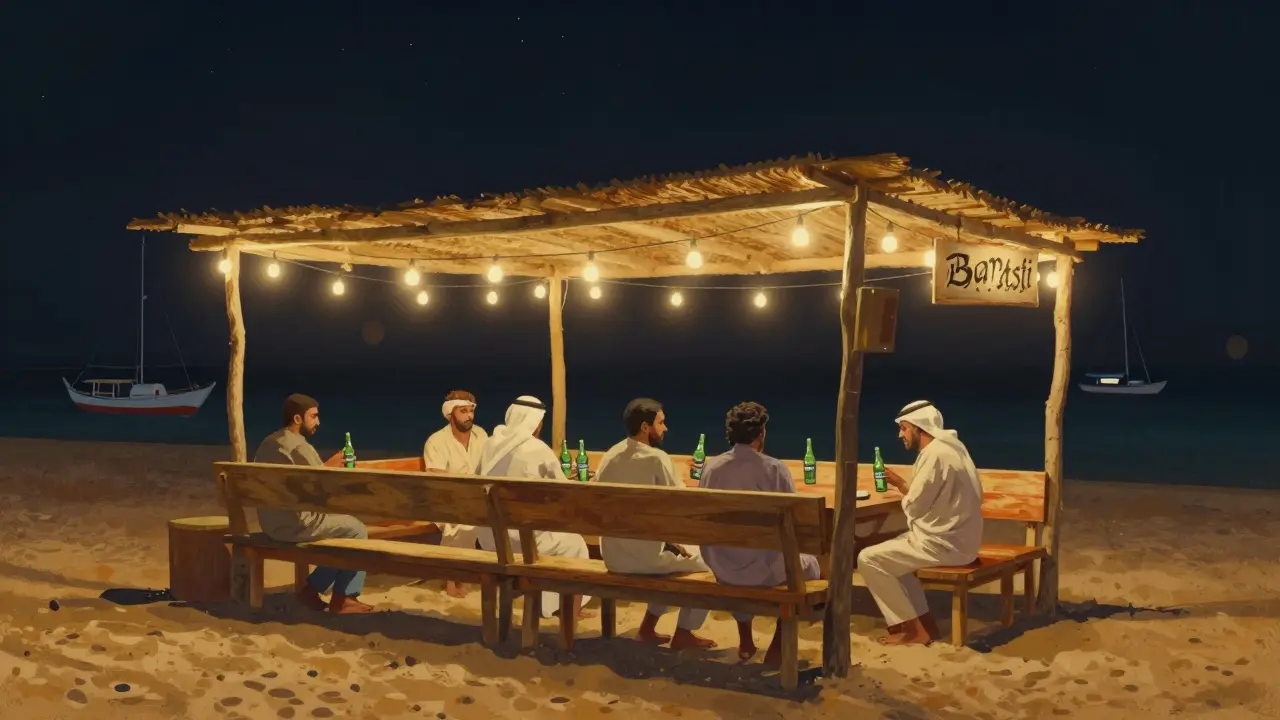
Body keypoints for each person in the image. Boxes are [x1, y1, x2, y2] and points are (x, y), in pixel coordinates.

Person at [699, 401, 821, 663]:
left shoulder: (711, 467)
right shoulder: (774, 468)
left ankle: (745, 641)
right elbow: (795, 520)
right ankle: (778, 644)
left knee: (740, 554)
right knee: (810, 566)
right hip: (764, 571)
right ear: (760, 434)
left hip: (722, 567)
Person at [857, 400, 984, 646]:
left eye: (904, 428)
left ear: (919, 427)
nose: (900, 435)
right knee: (893, 558)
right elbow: (929, 497)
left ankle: (912, 630)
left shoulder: (933, 455)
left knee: (868, 559)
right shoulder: (954, 448)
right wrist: (902, 485)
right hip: (962, 540)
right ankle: (925, 625)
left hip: (944, 545)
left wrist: (905, 495)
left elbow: (915, 506)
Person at [594, 398, 716, 650]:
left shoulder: (611, 454)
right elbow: (682, 504)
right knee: (711, 562)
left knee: (670, 553)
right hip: (643, 559)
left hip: (613, 555)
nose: (665, 428)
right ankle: (684, 632)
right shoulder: (657, 459)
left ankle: (648, 626)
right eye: (660, 423)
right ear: (645, 427)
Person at [253, 393, 375, 615]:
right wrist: (334, 468)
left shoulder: (268, 443)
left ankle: (312, 590)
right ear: (298, 419)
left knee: (344, 528)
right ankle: (343, 597)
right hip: (295, 524)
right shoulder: (300, 447)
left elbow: (306, 482)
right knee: (356, 530)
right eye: (314, 416)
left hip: (270, 523)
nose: (318, 422)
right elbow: (322, 488)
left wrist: (326, 468)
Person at [473, 396, 594, 621]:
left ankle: (548, 604)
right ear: (534, 422)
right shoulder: (537, 449)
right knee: (575, 544)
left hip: (490, 539)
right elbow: (563, 491)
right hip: (523, 541)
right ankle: (568, 610)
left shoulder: (490, 444)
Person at [422, 389, 489, 598]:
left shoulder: (482, 435)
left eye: (471, 411)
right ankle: (451, 578)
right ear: (451, 415)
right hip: (445, 498)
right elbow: (436, 479)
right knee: (462, 521)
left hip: (477, 498)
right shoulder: (436, 441)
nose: (469, 416)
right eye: (463, 411)